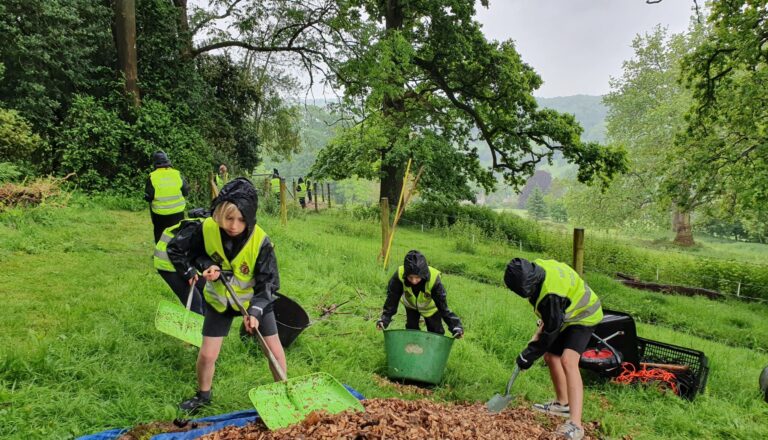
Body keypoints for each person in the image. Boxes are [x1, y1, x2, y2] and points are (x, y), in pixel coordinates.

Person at [167, 178, 286, 413]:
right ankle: (203, 395)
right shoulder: (206, 228)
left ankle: (284, 392)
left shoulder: (261, 242)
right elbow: (182, 251)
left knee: (273, 350)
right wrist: (201, 266)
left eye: (241, 220)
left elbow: (269, 283)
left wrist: (256, 311)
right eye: (228, 218)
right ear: (220, 212)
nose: (233, 225)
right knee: (207, 354)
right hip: (219, 301)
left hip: (255, 301)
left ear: (250, 218)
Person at [504, 258, 603, 440]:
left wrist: (528, 355)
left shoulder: (551, 294)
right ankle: (562, 404)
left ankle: (575, 425)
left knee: (568, 360)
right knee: (551, 357)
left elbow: (551, 331)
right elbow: (550, 318)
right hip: (566, 311)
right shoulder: (534, 269)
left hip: (585, 313)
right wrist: (540, 331)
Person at [376, 250, 464, 338]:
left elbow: (444, 308)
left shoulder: (434, 280)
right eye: (410, 277)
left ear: (423, 274)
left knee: (436, 333)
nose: (414, 281)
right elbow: (392, 300)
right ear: (406, 274)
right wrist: (385, 319)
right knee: (411, 330)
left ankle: (433, 350)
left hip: (431, 310)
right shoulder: (399, 275)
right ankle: (413, 349)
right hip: (411, 306)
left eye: (417, 277)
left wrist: (455, 327)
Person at [153, 213, 207, 315]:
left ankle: (205, 328)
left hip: (184, 259)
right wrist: (189, 271)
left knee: (207, 295)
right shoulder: (199, 227)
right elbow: (175, 250)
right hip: (168, 260)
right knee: (195, 302)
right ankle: (192, 328)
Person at [144, 151, 189, 243]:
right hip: (178, 212)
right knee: (176, 234)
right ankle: (176, 255)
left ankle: (160, 255)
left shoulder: (152, 176)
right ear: (168, 161)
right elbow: (185, 191)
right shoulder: (177, 174)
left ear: (155, 163)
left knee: (160, 235)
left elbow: (149, 196)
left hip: (160, 214)